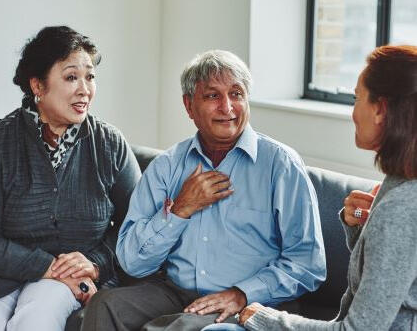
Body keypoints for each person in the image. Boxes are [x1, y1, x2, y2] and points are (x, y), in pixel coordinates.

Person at [82, 49, 326, 331]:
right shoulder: (168, 166)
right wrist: (180, 210)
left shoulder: (280, 165)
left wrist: (242, 293)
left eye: (236, 94)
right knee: (105, 306)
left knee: (178, 328)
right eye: (212, 96)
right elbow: (133, 262)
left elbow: (308, 264)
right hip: (176, 292)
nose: (227, 107)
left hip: (251, 302)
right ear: (189, 105)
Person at [237, 45, 417, 330]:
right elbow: (391, 276)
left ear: (381, 109)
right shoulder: (401, 183)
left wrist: (265, 319)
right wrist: (357, 224)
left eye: (357, 98)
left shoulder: (402, 207)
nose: (353, 112)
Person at [0, 26, 140, 331]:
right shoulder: (0, 143)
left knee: (36, 319)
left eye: (90, 77)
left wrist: (95, 264)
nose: (85, 89)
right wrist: (47, 266)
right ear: (37, 85)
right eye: (71, 77)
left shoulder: (109, 143)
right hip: (4, 276)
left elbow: (137, 226)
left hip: (73, 280)